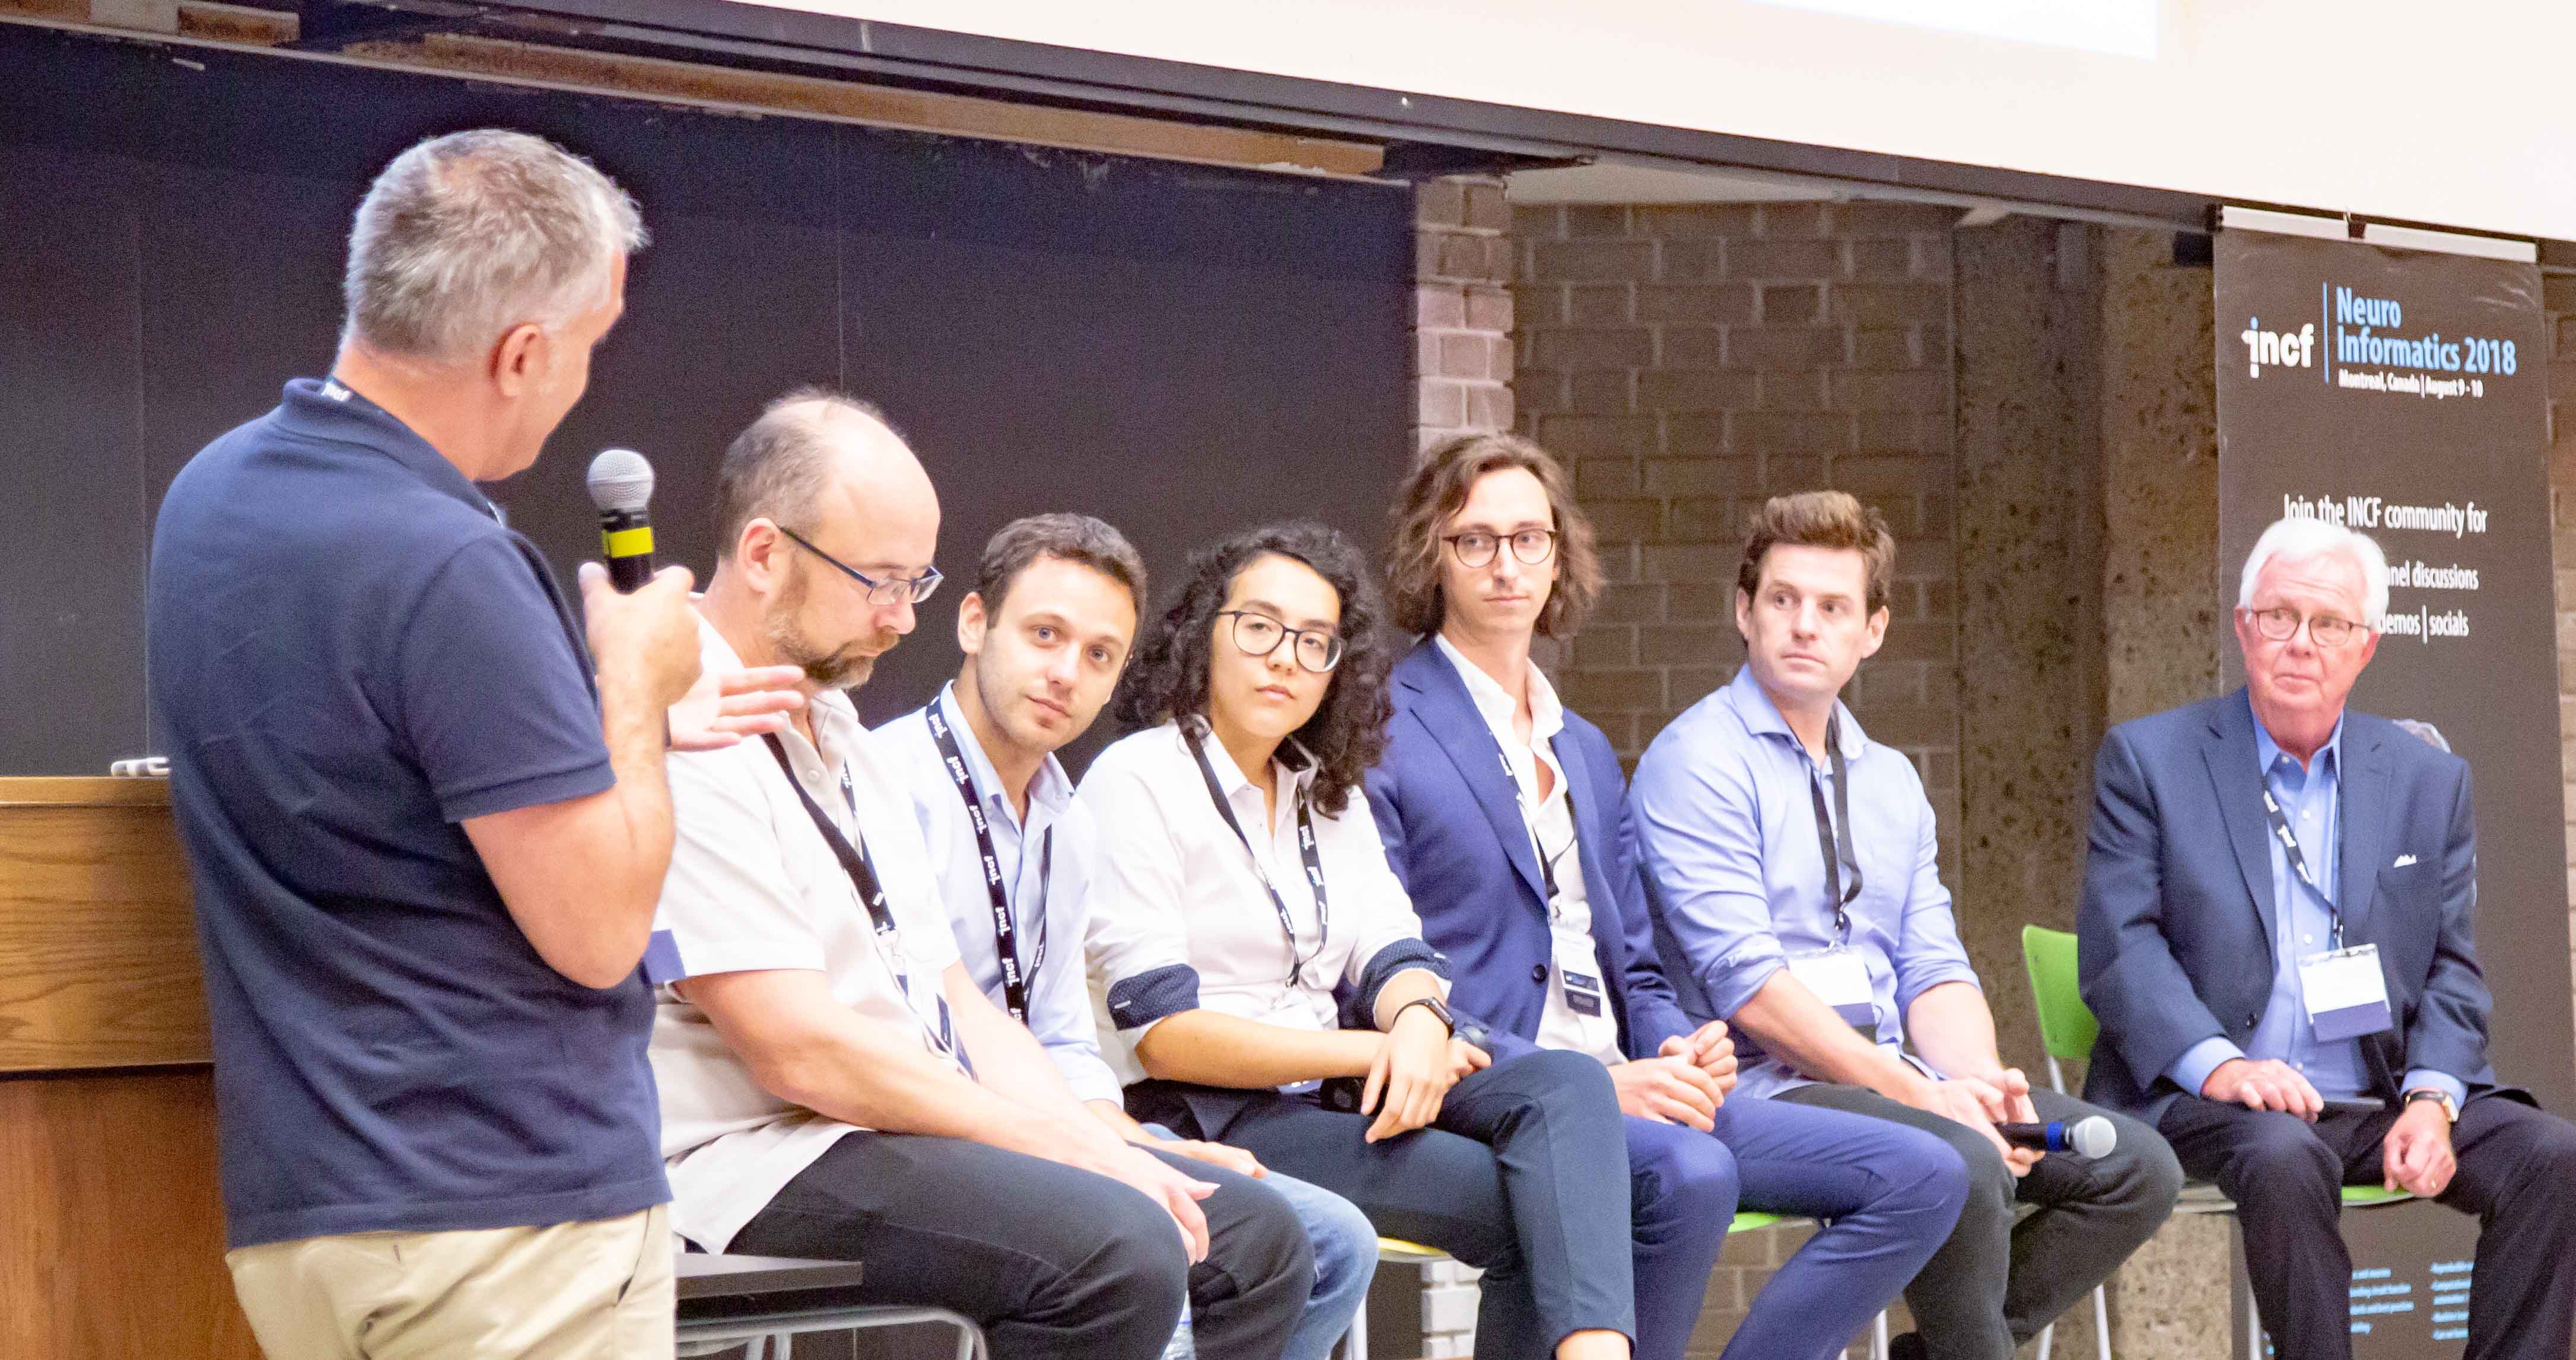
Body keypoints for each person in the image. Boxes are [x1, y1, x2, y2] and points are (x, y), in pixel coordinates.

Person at [148, 129, 803, 1359]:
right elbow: (596, 930)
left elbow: (375, 769)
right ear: (521, 353)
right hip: (507, 1220)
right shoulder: (450, 562)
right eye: (590, 345)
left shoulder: (210, 497)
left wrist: (595, 727)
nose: (583, 383)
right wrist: (631, 686)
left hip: (310, 1213)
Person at [646, 392, 1310, 1360]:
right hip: (751, 1153)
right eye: (877, 581)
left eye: (913, 583)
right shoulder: (683, 726)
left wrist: (1105, 1140)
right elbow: (796, 1050)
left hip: (882, 1125)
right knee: (1119, 1249)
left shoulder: (843, 737)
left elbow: (958, 999)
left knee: (1255, 1239)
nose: (896, 618)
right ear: (762, 554)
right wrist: (1062, 1146)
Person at [1366, 436, 1968, 1360]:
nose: (1504, 565)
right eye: (1474, 540)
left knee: (1925, 1169)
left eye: (1528, 538)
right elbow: (1378, 958)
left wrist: (1674, 1049)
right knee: (1689, 1172)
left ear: (1558, 555)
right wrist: (1589, 1084)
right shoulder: (1383, 726)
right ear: (1431, 555)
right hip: (1489, 1077)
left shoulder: (1582, 748)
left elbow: (1638, 969)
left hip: (1625, 1078)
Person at [1630, 491, 2181, 1360]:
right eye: (1782, 599)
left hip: (1894, 1079)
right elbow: (1751, 989)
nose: (1803, 625)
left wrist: (1981, 1082)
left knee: (2133, 1167)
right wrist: (1921, 1095)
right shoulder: (1696, 760)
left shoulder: (1889, 779)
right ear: (1744, 611)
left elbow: (1932, 966)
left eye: (1832, 607)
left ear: (1873, 630)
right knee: (1963, 1157)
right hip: (1762, 1090)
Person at [1082, 520, 1639, 1360]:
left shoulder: (1323, 793)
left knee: (1566, 1083)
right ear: (1204, 634)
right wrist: (1373, 1051)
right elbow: (1163, 1036)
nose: (1285, 659)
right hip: (1210, 1110)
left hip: (1331, 1093)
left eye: (1315, 642)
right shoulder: (1138, 779)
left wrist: (1415, 1022)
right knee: (1544, 1210)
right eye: (1260, 627)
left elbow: (1392, 947)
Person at [2078, 515, 2576, 1360]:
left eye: (2331, 623)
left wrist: (2431, 1100)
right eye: (2279, 616)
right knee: (2283, 1153)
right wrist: (2224, 1067)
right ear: (2244, 628)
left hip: (2373, 1096)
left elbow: (2452, 967)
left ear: (2366, 645)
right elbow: (2120, 949)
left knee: (2552, 1156)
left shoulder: (2427, 779)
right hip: (2211, 1100)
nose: (2301, 642)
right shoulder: (2150, 760)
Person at [879, 512, 1373, 1359]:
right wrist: (1108, 1145)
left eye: (1099, 654)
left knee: (1331, 1241)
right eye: (1044, 635)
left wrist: (1129, 1135)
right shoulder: (891, 782)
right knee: (1167, 1234)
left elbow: (1065, 1033)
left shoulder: (1065, 819)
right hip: (931, 1125)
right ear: (973, 623)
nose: (1065, 672)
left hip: (1058, 1117)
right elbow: (916, 1029)